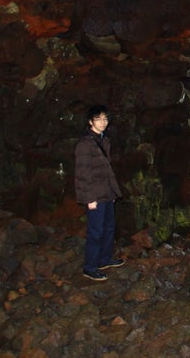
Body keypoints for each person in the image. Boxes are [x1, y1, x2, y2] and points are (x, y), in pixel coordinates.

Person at [74, 104, 125, 281]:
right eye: (99, 119)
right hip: (94, 196)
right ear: (90, 121)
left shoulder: (104, 140)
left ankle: (104, 259)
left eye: (105, 118)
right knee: (95, 231)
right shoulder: (85, 144)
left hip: (106, 193)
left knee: (109, 228)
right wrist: (89, 199)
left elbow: (107, 169)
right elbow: (82, 174)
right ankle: (89, 267)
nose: (103, 122)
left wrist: (112, 193)